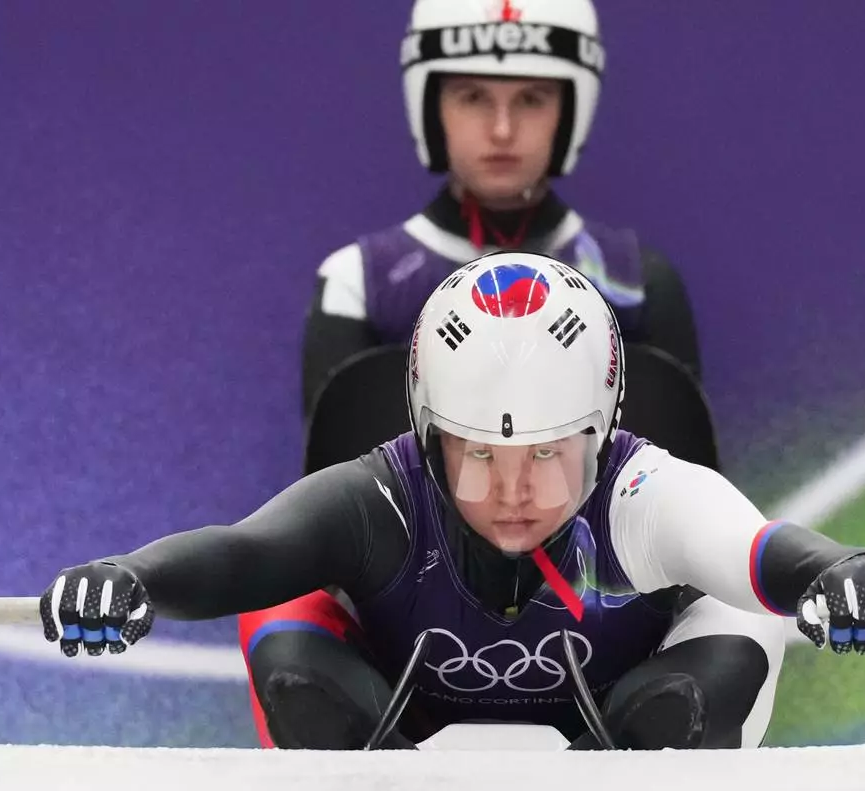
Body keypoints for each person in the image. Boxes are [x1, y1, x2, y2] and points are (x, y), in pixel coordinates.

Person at [39, 252, 865, 751]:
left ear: (600, 431)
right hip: (400, 724)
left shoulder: (645, 492)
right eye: (477, 455)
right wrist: (132, 578)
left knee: (688, 698)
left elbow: (759, 552)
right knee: (299, 673)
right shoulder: (385, 493)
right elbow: (246, 554)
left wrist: (839, 572)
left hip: (629, 714)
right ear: (428, 436)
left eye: (546, 454)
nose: (512, 494)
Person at [301, 0, 702, 462]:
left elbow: (680, 492)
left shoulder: (638, 284)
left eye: (532, 99)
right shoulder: (358, 284)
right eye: (472, 97)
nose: (502, 129)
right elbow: (341, 502)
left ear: (569, 109)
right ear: (433, 107)